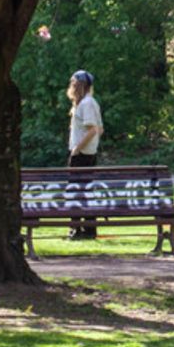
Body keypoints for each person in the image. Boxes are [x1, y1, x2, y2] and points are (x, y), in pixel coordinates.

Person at [66, 70, 104, 238]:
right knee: (85, 192)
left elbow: (93, 130)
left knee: (76, 191)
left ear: (79, 85)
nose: (71, 87)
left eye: (73, 83)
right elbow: (100, 129)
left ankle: (77, 229)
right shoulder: (86, 103)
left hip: (81, 154)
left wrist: (77, 148)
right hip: (87, 153)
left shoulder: (86, 103)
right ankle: (88, 229)